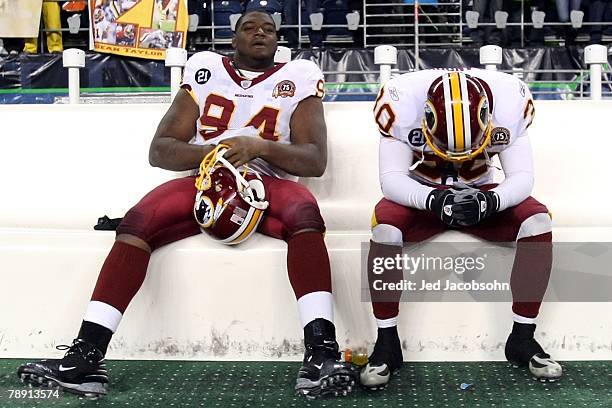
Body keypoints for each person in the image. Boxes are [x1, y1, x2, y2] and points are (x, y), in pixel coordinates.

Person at [17, 10, 356, 400]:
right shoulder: (205, 69)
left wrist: (259, 147)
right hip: (206, 178)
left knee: (304, 212)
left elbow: (314, 160)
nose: (260, 33)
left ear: (279, 40)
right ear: (233, 39)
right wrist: (217, 151)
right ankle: (87, 356)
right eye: (249, 27)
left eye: (269, 29)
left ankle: (321, 354)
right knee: (139, 220)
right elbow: (159, 150)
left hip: (266, 183)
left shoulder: (299, 76)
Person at [360, 69, 562, 389]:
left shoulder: (510, 101)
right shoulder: (402, 100)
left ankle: (523, 338)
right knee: (384, 228)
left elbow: (522, 176)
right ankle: (386, 344)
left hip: (482, 192)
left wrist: (492, 201)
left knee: (538, 221)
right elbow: (391, 179)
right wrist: (431, 201)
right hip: (424, 195)